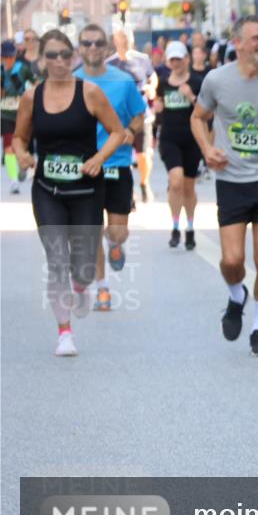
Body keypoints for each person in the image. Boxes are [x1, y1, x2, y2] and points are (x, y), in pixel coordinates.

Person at [12, 29, 127, 355]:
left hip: (87, 190)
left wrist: (99, 158)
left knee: (84, 268)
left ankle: (81, 285)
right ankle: (64, 333)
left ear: (73, 56)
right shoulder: (32, 96)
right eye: (52, 55)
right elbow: (20, 138)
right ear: (42, 59)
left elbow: (118, 132)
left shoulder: (89, 93)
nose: (60, 61)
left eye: (65, 54)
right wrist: (21, 154)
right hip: (48, 189)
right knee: (57, 260)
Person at [191, 15, 258, 356]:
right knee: (232, 260)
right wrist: (207, 149)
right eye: (256, 38)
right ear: (238, 44)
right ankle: (237, 296)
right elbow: (197, 117)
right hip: (231, 179)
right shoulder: (217, 80)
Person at [74, 25, 148, 311]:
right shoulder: (72, 81)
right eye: (86, 42)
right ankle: (102, 290)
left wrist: (130, 129)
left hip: (117, 164)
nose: (92, 48)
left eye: (97, 43)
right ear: (80, 47)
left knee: (117, 232)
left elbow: (140, 115)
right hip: (86, 167)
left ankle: (116, 245)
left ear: (106, 49)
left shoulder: (123, 81)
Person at [156, 40, 204, 251]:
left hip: (192, 139)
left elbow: (206, 111)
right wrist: (157, 106)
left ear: (187, 59)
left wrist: (191, 96)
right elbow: (158, 105)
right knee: (175, 182)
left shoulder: (197, 81)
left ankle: (190, 227)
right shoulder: (163, 82)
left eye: (179, 58)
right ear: (168, 61)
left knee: (188, 187)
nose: (176, 63)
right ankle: (175, 226)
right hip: (169, 139)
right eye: (172, 59)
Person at [108, 29, 157, 203]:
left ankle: (144, 182)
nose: (126, 40)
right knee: (124, 156)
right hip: (121, 117)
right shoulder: (110, 64)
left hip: (141, 114)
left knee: (143, 155)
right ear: (115, 41)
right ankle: (128, 192)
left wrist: (151, 88)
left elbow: (153, 77)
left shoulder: (142, 59)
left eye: (128, 37)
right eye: (122, 37)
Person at [2, 39, 36, 194]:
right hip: (5, 113)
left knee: (20, 145)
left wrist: (28, 96)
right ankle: (14, 181)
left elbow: (35, 84)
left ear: (14, 56)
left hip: (22, 113)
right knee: (8, 147)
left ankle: (22, 167)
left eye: (10, 56)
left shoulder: (23, 69)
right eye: (5, 57)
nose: (8, 60)